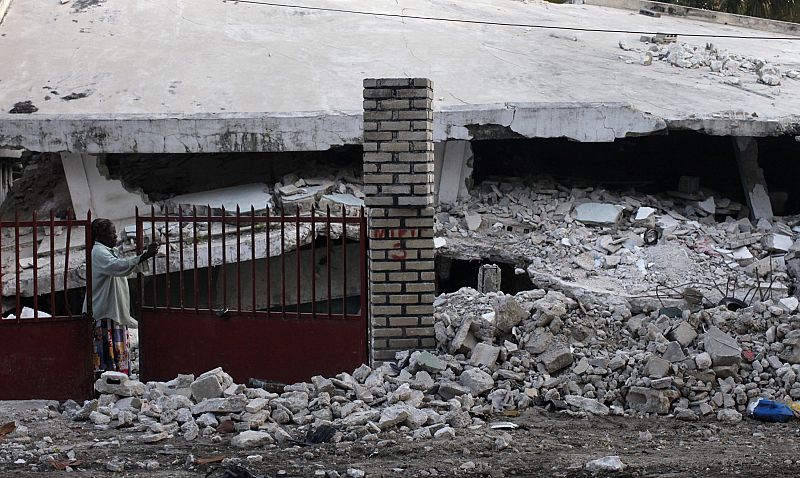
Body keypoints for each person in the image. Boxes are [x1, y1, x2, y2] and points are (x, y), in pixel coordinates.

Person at [83, 218, 159, 376]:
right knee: (107, 346)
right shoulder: (98, 252)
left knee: (116, 343)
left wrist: (142, 258)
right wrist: (143, 257)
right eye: (112, 233)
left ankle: (119, 377)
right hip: (105, 310)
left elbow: (123, 267)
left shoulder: (108, 251)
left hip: (112, 308)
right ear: (100, 235)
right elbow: (118, 267)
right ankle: (108, 378)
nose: (115, 237)